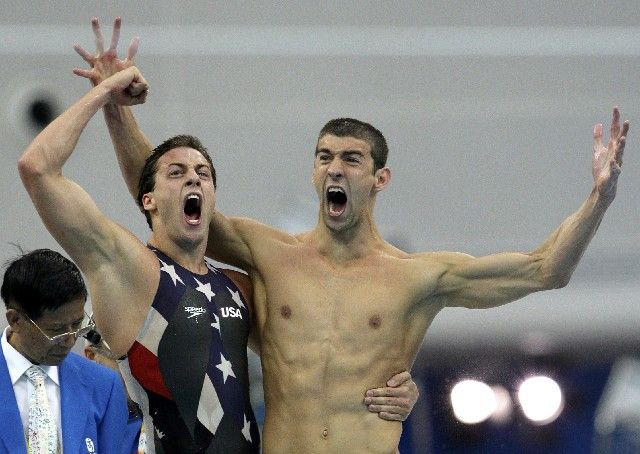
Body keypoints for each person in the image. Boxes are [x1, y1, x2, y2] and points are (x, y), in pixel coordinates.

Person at [75, 18, 631, 453]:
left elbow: (545, 269)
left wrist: (598, 200)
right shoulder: (268, 255)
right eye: (324, 158)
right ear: (315, 173)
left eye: (351, 159)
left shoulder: (419, 276)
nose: (335, 168)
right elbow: (163, 197)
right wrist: (114, 109)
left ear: (379, 178)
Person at [19, 59, 417, 453]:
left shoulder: (237, 288)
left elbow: (318, 359)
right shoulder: (130, 270)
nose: (193, 177)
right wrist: (104, 94)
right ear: (149, 201)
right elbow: (37, 168)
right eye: (176, 173)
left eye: (203, 173)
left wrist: (395, 389)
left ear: (211, 199)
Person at [0, 248, 128, 453]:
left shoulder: (104, 386)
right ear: (15, 320)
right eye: (56, 330)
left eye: (78, 324)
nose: (70, 340)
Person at [84, 327, 146, 454]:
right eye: (124, 359)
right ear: (92, 356)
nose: (139, 369)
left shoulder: (168, 421)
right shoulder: (72, 422)